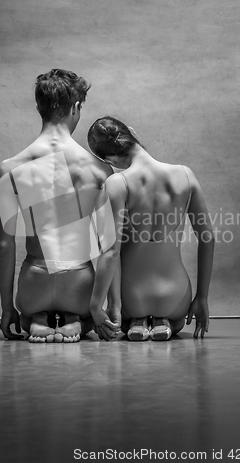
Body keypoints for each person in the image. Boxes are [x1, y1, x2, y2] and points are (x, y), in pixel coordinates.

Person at [0, 70, 120, 343]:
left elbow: (4, 244)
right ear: (76, 107)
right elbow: (109, 248)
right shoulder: (99, 170)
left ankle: (34, 318)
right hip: (79, 288)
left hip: (33, 286)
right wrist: (109, 307)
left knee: (27, 313)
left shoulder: (10, 168)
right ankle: (78, 320)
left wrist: (8, 308)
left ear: (39, 106)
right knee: (85, 312)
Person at [87, 117, 215, 341]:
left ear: (108, 159)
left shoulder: (117, 184)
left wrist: (99, 306)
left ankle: (137, 321)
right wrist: (202, 298)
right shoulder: (185, 175)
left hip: (131, 297)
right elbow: (208, 238)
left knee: (128, 316)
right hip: (176, 297)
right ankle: (165, 321)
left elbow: (111, 252)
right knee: (173, 318)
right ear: (132, 132)